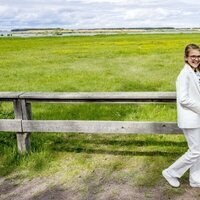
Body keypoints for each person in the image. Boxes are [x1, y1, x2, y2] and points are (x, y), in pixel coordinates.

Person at [162, 43, 200, 187]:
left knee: (197, 150)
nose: (196, 59)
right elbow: (183, 99)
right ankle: (171, 172)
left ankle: (195, 180)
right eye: (193, 56)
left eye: (198, 56)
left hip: (197, 118)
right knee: (196, 151)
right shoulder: (184, 74)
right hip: (190, 119)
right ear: (186, 58)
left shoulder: (196, 72)